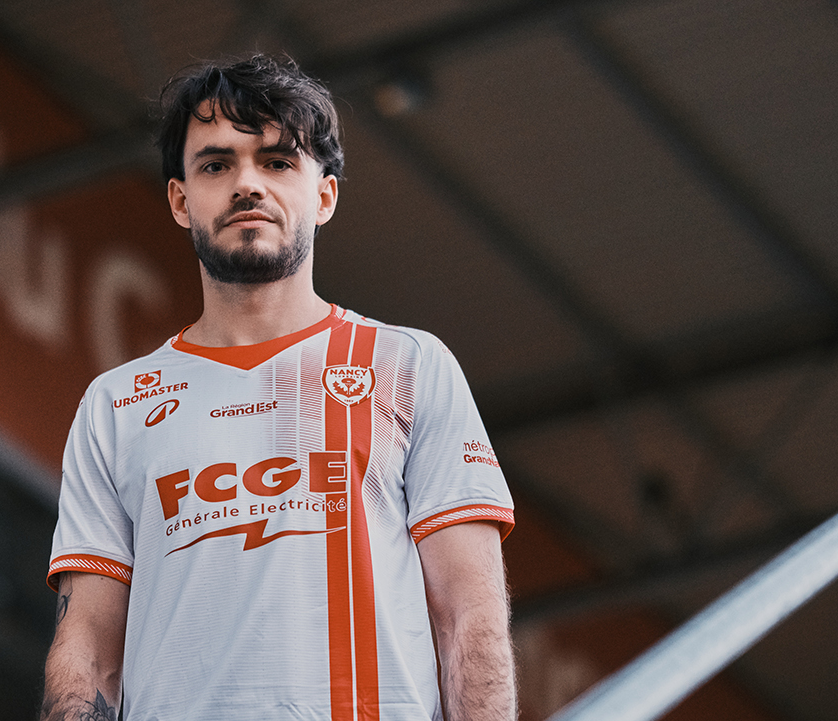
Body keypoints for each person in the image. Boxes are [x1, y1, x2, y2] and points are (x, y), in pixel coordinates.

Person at [40, 54, 516, 721]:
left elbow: (469, 617)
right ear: (180, 200)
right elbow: (87, 651)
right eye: (216, 165)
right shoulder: (115, 406)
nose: (247, 184)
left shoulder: (408, 367)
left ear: (324, 196)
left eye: (277, 161)